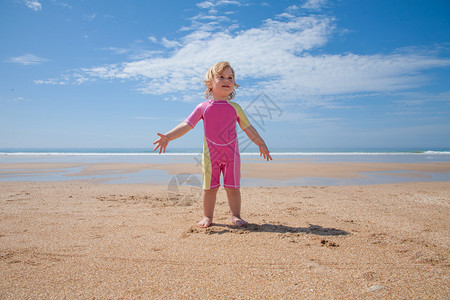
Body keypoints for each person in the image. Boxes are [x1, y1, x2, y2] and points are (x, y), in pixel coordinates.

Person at [153, 61, 272, 228]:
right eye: (221, 77)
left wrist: (260, 142)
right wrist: (168, 136)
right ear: (209, 84)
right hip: (211, 156)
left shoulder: (235, 108)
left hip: (232, 156)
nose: (227, 80)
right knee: (209, 188)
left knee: (233, 188)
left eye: (230, 77)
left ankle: (236, 216)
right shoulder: (203, 107)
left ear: (234, 84)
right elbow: (187, 125)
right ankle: (207, 217)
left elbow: (248, 127)